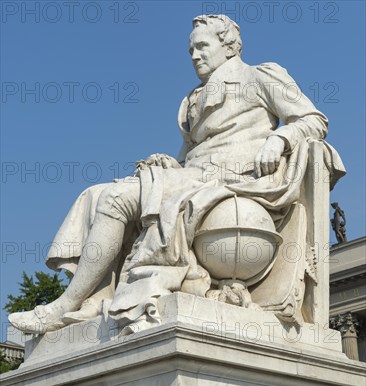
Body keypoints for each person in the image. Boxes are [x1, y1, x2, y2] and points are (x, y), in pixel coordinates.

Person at [9, 14, 345, 335]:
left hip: (234, 178)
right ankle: (92, 300)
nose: (195, 56)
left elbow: (314, 120)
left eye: (202, 47)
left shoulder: (261, 76)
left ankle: (64, 305)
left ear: (229, 47)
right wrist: (167, 164)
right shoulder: (193, 99)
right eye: (191, 50)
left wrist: (279, 137)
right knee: (95, 194)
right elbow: (186, 159)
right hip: (194, 175)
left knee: (116, 198)